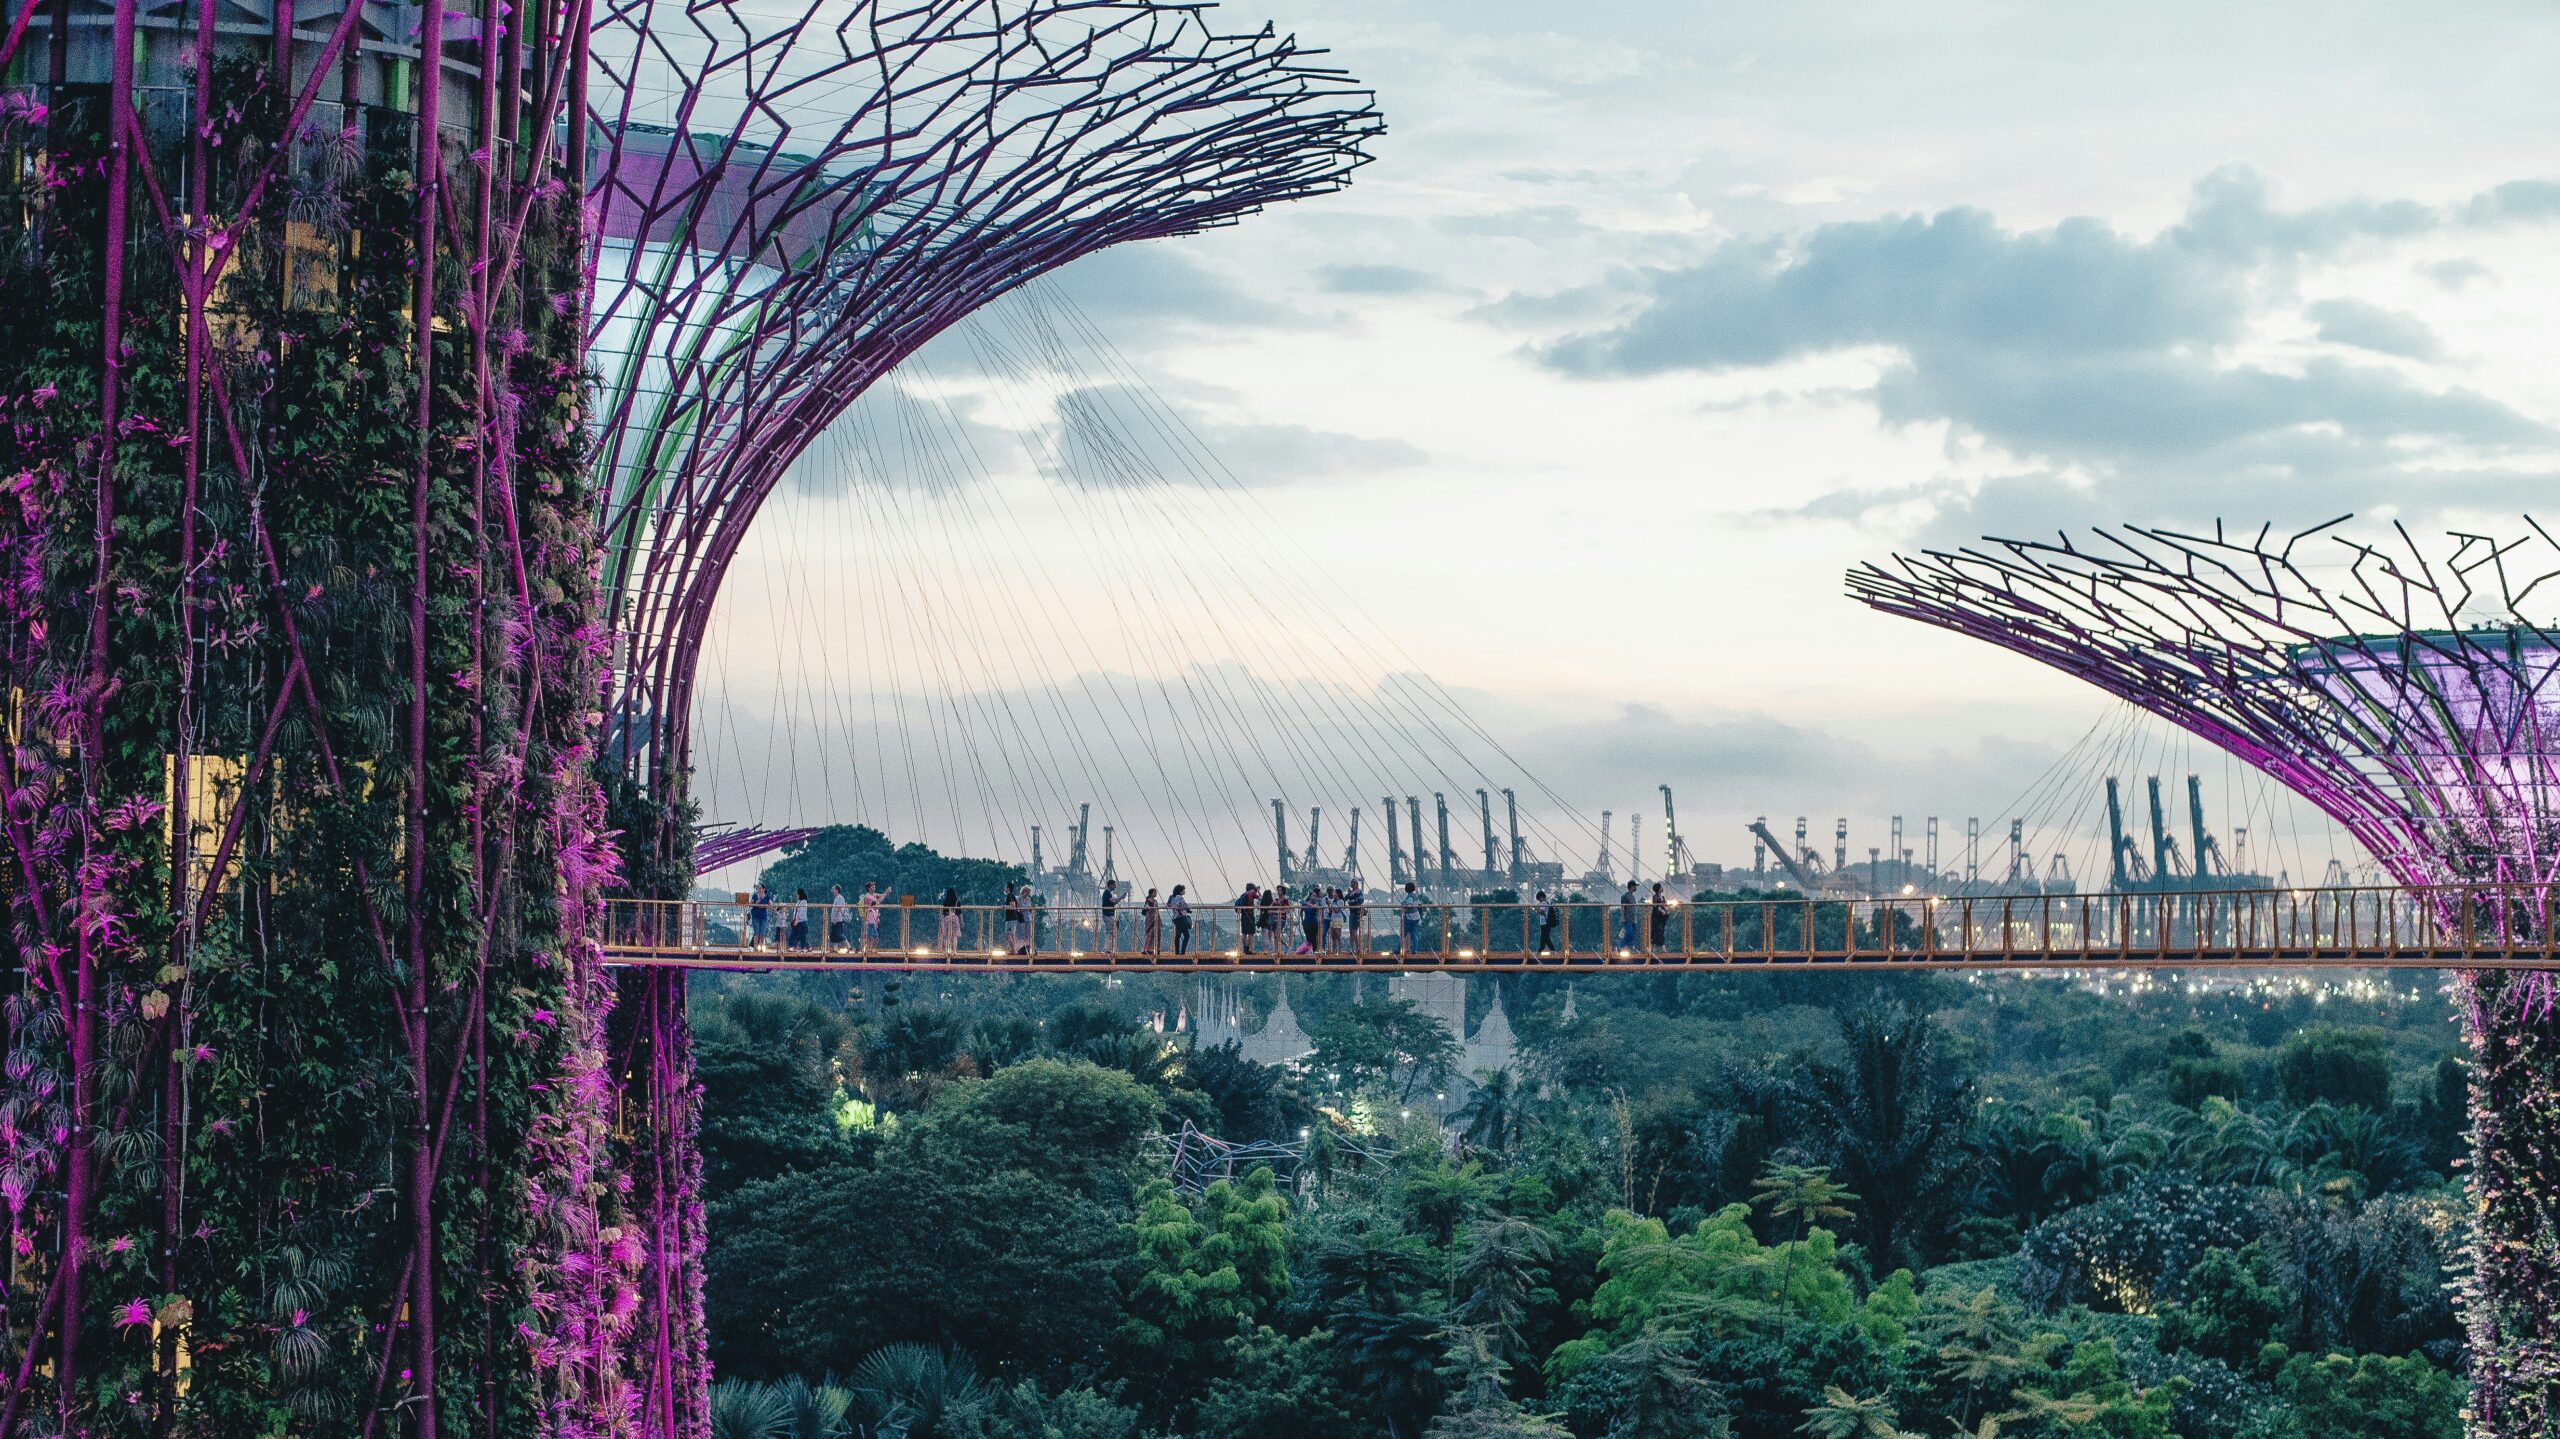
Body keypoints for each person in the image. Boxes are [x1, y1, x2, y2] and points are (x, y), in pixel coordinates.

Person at [1003, 883, 1030, 956]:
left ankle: (1013, 950)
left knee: (1007, 935)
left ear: (1008, 888)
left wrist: (1004, 906)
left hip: (1010, 918)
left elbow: (1013, 906)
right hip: (1013, 918)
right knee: (1012, 935)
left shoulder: (1010, 896)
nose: (1004, 889)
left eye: (1005, 887)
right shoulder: (1013, 896)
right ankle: (1014, 949)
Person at [1235, 883, 1260, 954]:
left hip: (1243, 915)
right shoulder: (1252, 892)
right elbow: (1260, 898)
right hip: (1250, 914)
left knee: (1244, 933)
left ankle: (1244, 949)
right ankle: (1247, 949)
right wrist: (1258, 891)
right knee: (1251, 932)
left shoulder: (1243, 894)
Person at [1400, 882, 1424, 955]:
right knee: (1414, 934)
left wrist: (1404, 908)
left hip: (1409, 917)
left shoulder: (1409, 897)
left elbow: (1409, 905)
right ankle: (1414, 950)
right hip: (1416, 917)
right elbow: (1419, 905)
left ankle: (1398, 949)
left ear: (1406, 889)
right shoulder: (1415, 896)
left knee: (1403, 934)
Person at [1616, 881, 1641, 954]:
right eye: (1635, 886)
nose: (1636, 887)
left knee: (1632, 935)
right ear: (1631, 887)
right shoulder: (1624, 896)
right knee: (1628, 933)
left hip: (1633, 919)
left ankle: (1631, 948)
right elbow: (1623, 907)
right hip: (1627, 919)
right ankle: (1620, 946)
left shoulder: (1633, 897)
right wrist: (1623, 917)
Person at [936, 885, 963, 951]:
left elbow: (943, 913)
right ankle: (954, 949)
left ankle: (947, 949)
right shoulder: (957, 902)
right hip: (955, 919)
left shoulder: (946, 901)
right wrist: (962, 922)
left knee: (947, 935)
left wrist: (941, 922)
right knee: (954, 935)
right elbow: (959, 913)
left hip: (947, 919)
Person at [860, 882, 884, 953]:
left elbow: (880, 895)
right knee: (874, 936)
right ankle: (870, 950)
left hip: (874, 920)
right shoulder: (868, 896)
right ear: (869, 888)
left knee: (873, 936)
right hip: (870, 920)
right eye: (872, 887)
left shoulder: (873, 895)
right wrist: (885, 894)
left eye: (874, 886)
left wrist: (886, 892)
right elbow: (877, 903)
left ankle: (870, 949)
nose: (874, 888)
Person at [1170, 884, 1193, 955]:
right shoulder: (1180, 897)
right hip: (1180, 918)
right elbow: (1184, 905)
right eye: (1183, 890)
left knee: (1178, 935)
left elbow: (1173, 905)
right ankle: (1182, 952)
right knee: (1186, 935)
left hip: (1176, 918)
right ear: (1180, 891)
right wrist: (1188, 909)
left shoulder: (1174, 897)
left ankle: (1177, 952)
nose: (1184, 891)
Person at [1297, 885, 1321, 955]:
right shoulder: (1305, 902)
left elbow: (1316, 907)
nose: (1314, 897)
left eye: (1315, 895)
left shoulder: (1315, 902)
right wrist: (1301, 920)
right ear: (1310, 896)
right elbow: (1301, 911)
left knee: (1314, 937)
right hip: (1306, 922)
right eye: (1313, 895)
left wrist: (1308, 904)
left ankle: (1314, 951)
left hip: (1313, 922)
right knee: (1308, 937)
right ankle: (1309, 950)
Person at [1535, 888, 1560, 955]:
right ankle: (1541, 950)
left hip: (1544, 923)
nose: (1539, 900)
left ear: (1541, 897)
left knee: (1544, 937)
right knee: (1545, 937)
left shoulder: (1543, 902)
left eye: (1538, 899)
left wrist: (1536, 908)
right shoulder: (1547, 902)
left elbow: (1542, 912)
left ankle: (1542, 950)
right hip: (1545, 923)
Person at [1098, 879, 1120, 955]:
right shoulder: (1107, 892)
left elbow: (1114, 902)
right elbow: (1113, 901)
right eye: (1114, 884)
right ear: (1110, 885)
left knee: (1110, 931)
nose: (1115, 886)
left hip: (1109, 915)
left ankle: (1109, 948)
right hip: (1108, 915)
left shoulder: (1109, 893)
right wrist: (1121, 897)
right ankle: (1108, 949)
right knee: (1110, 932)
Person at [1263, 885, 1286, 955]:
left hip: (1281, 919)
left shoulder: (1285, 900)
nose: (1278, 891)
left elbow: (1286, 910)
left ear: (1283, 891)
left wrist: (1277, 911)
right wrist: (1274, 904)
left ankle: (1286, 946)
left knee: (1276, 934)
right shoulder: (1276, 900)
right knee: (1275, 935)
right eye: (1278, 890)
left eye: (1279, 890)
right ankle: (1276, 951)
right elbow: (1269, 909)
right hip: (1275, 919)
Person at [827, 885, 852, 951]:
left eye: (833, 889)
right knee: (833, 935)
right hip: (836, 919)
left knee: (838, 935)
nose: (832, 890)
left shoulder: (840, 898)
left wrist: (835, 918)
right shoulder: (837, 898)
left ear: (837, 890)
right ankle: (835, 948)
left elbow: (839, 908)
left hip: (837, 920)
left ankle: (849, 946)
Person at [1649, 882, 1671, 952]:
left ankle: (1661, 948)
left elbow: (1665, 906)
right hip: (1656, 917)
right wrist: (1662, 910)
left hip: (1662, 918)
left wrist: (1667, 910)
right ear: (1658, 889)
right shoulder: (1655, 896)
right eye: (1661, 887)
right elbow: (1656, 906)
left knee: (1661, 931)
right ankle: (1655, 948)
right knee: (1656, 931)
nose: (1662, 888)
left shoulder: (1663, 897)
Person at [748, 882, 772, 947]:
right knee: (757, 932)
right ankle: (755, 946)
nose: (759, 889)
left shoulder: (767, 896)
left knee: (762, 932)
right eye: (758, 888)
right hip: (755, 916)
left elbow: (770, 905)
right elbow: (750, 904)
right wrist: (756, 903)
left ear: (764, 889)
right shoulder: (755, 895)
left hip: (763, 916)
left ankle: (761, 946)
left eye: (760, 888)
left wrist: (764, 906)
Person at [1346, 886, 1367, 956]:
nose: (1352, 884)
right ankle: (1353, 949)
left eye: (1354, 882)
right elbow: (1345, 899)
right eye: (1352, 882)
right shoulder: (1351, 892)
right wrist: (1349, 895)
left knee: (1354, 931)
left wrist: (1353, 900)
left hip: (1357, 914)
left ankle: (1357, 948)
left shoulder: (1359, 892)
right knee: (1351, 932)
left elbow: (1361, 899)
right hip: (1352, 914)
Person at [1141, 887, 1162, 954]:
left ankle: (1156, 948)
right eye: (1155, 892)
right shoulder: (1148, 900)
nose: (1156, 894)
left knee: (1157, 934)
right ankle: (1146, 948)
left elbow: (1157, 911)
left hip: (1156, 918)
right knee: (1149, 934)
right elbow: (1146, 906)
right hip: (1150, 919)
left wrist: (1160, 920)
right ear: (1151, 893)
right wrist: (1148, 907)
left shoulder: (1155, 901)